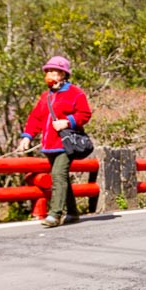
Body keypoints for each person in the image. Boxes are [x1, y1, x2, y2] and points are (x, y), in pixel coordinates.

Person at [16, 56, 92, 228]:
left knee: (57, 176)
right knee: (62, 177)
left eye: (53, 71)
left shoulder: (75, 93)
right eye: (48, 71)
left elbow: (85, 114)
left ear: (63, 74)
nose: (49, 74)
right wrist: (27, 136)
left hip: (66, 143)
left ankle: (54, 214)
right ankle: (72, 212)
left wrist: (68, 121)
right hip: (49, 144)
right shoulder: (45, 96)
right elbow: (35, 118)